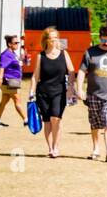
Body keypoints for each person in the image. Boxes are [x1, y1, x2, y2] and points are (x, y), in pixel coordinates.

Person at [75, 27, 107, 162]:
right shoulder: (90, 52)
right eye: (104, 40)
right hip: (93, 95)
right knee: (95, 124)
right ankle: (96, 148)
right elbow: (82, 71)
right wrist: (79, 88)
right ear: (100, 38)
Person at [30, 26, 75, 158]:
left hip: (60, 92)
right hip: (43, 93)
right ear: (46, 40)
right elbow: (35, 76)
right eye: (51, 38)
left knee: (56, 118)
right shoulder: (41, 56)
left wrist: (71, 88)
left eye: (56, 38)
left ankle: (56, 147)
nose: (54, 41)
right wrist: (31, 92)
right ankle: (50, 148)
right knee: (47, 121)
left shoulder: (64, 54)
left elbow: (71, 72)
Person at [0, 35, 27, 127]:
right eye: (15, 43)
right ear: (9, 44)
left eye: (18, 42)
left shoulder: (12, 53)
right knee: (17, 100)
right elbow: (2, 67)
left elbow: (16, 64)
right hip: (10, 80)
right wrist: (0, 78)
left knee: (4, 100)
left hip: (14, 80)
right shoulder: (6, 54)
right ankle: (26, 120)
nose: (17, 44)